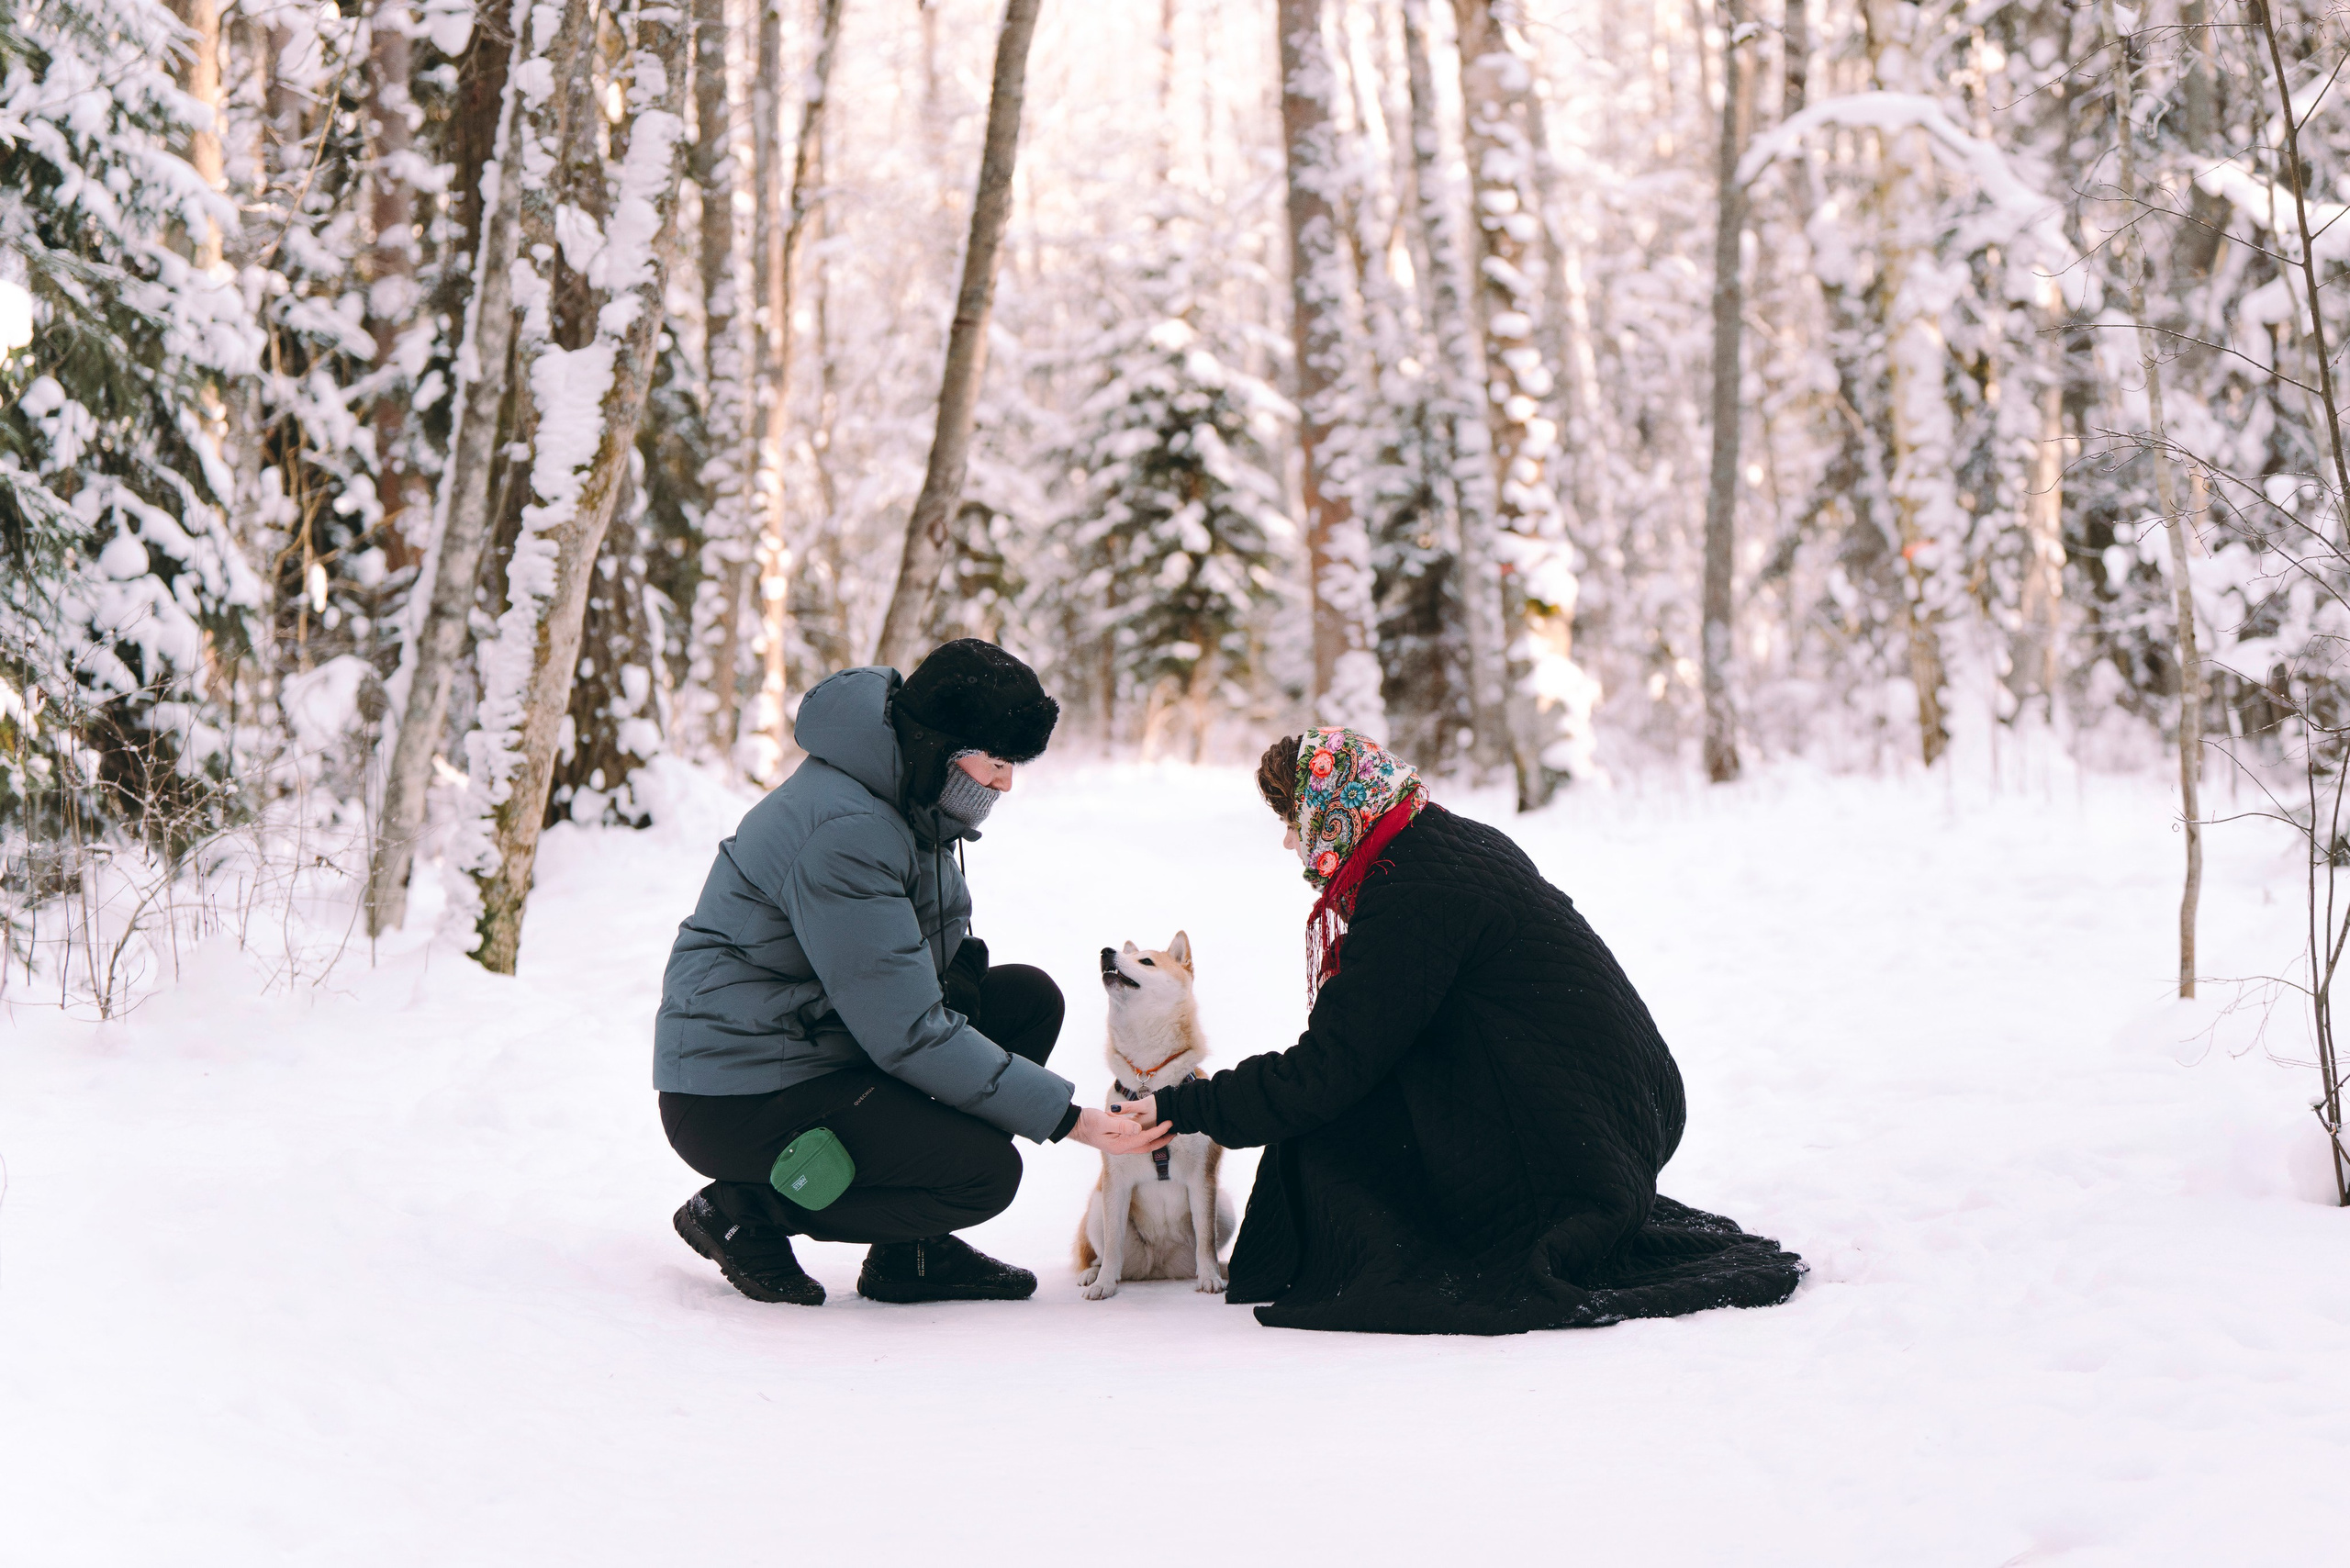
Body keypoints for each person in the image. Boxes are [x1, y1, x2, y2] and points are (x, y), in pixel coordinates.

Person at [1111, 728, 1803, 1334]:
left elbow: (1330, 1067)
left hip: (1577, 1138)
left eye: (1293, 819)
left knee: (1328, 1140)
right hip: (1622, 1112)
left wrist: (1185, 1104)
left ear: (1334, 810)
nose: (1291, 842)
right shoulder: (1436, 841)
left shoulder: (1411, 890)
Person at [655, 639, 1171, 1306]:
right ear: (941, 745)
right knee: (982, 1177)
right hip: (742, 1088)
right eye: (998, 761)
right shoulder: (844, 828)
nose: (1006, 782)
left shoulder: (906, 791)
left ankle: (912, 1254)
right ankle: (742, 1211)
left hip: (824, 1041)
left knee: (1023, 1000)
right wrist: (1067, 1117)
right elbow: (906, 1033)